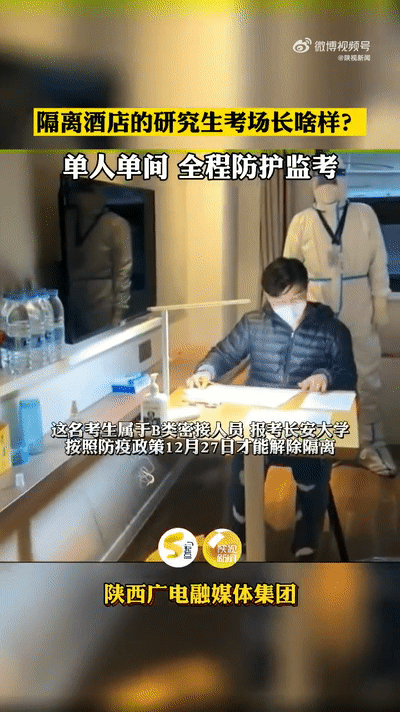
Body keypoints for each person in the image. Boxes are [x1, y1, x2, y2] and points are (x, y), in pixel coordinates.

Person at [187, 257, 357, 561]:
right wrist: (206, 371)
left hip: (305, 423)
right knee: (242, 466)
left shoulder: (333, 330)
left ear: (307, 290)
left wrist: (326, 376)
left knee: (313, 469)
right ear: (267, 297)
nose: (287, 308)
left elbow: (348, 375)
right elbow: (224, 353)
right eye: (278, 302)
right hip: (259, 421)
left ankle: (305, 548)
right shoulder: (254, 323)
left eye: (295, 299)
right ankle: (238, 544)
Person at [283, 157, 396, 477]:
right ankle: (327, 446)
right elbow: (289, 271)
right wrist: (291, 315)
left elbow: (379, 261)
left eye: (335, 176)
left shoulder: (363, 214)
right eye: (322, 177)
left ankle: (370, 445)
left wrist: (380, 302)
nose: (329, 183)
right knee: (320, 378)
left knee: (367, 379)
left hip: (359, 306)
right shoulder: (302, 221)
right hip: (317, 308)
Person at [68, 183, 133, 336]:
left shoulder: (116, 224)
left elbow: (123, 270)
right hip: (73, 300)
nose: (83, 198)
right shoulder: (70, 220)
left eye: (88, 192)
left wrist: (119, 312)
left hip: (103, 300)